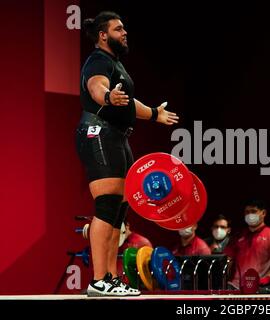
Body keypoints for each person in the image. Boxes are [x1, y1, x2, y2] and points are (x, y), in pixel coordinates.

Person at [76, 11, 179, 297]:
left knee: (120, 211)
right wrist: (107, 97)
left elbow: (129, 102)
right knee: (107, 206)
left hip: (118, 137)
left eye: (124, 29)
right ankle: (98, 280)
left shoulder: (115, 64)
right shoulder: (98, 60)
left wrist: (155, 113)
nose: (124, 33)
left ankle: (109, 277)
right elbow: (96, 86)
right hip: (99, 132)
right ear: (102, 35)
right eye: (118, 29)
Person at [224, 199, 270, 291]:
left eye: (253, 211)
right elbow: (228, 259)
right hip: (234, 285)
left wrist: (268, 277)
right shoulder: (237, 236)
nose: (250, 215)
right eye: (247, 212)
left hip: (259, 286)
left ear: (263, 213)